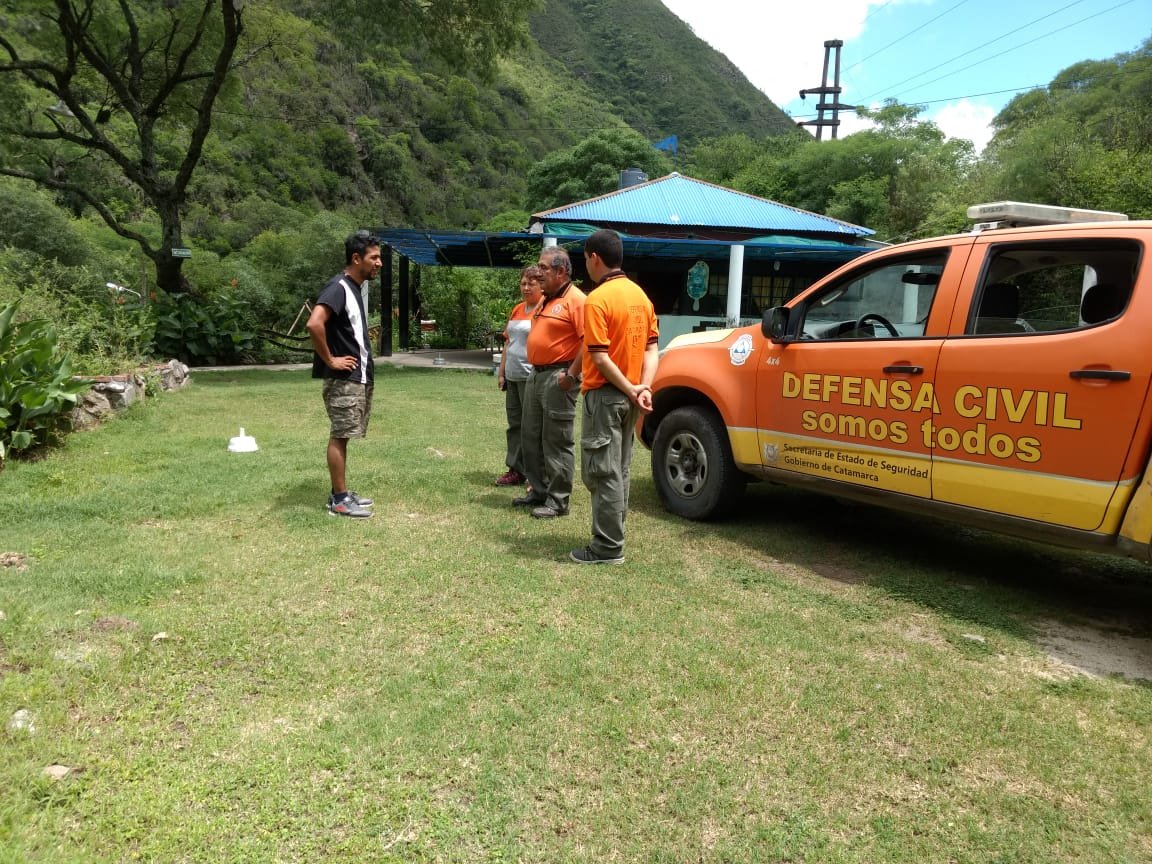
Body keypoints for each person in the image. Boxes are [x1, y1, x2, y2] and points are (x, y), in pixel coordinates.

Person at [570, 228, 659, 564]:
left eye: (586, 260)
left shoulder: (598, 299)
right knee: (619, 468)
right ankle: (614, 532)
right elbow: (653, 350)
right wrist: (643, 387)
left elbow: (600, 356)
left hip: (607, 396)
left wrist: (631, 388)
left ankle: (607, 547)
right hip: (631, 397)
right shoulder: (641, 297)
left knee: (602, 470)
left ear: (595, 258)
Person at [306, 230, 382, 518]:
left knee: (345, 435)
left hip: (357, 377)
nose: (379, 264)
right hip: (344, 380)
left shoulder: (353, 287)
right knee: (339, 435)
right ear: (356, 258)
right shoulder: (338, 287)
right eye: (374, 258)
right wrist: (331, 360)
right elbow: (315, 324)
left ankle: (342, 492)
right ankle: (339, 499)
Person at [515, 245, 586, 519]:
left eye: (544, 268)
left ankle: (558, 500)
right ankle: (539, 491)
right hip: (536, 374)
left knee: (556, 439)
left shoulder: (576, 300)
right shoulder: (547, 299)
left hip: (559, 376)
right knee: (531, 436)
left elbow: (588, 342)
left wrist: (570, 375)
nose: (538, 272)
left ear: (561, 271)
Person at [495, 266, 545, 487]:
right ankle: (516, 469)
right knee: (514, 425)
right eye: (523, 283)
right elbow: (508, 342)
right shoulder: (517, 309)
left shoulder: (544, 308)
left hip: (531, 376)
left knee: (532, 428)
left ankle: (537, 476)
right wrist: (502, 371)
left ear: (541, 285)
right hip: (513, 375)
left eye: (530, 284)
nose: (525, 288)